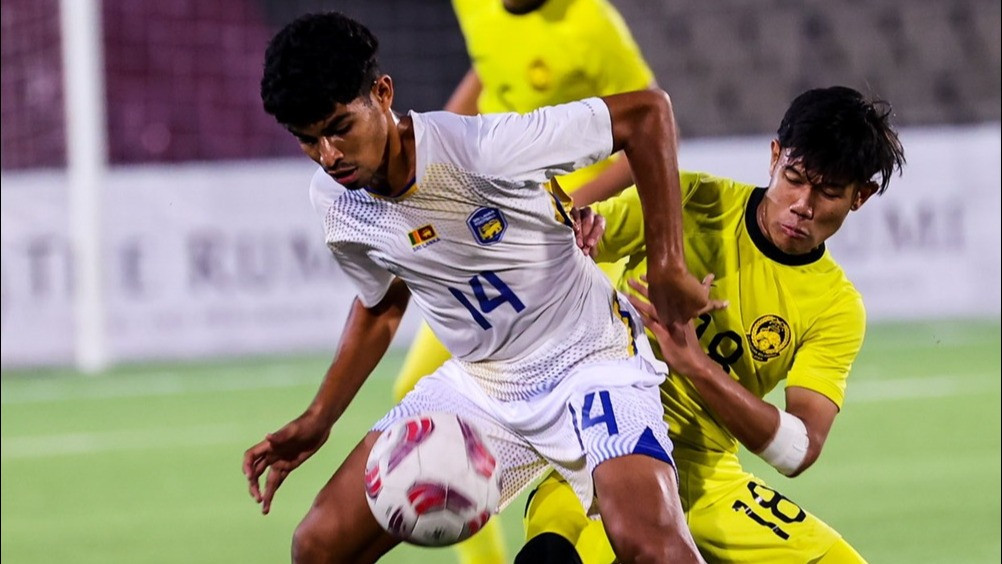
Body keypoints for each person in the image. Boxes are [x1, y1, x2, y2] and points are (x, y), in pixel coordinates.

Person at [243, 11, 719, 564]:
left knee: (652, 548)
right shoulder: (337, 204)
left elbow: (647, 113)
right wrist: (319, 417)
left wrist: (667, 263)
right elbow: (381, 303)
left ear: (382, 93)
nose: (329, 156)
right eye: (309, 141)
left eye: (339, 127)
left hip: (590, 362)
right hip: (482, 386)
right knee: (317, 546)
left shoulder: (481, 148)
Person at [518, 85, 906, 563]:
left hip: (706, 474)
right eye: (794, 177)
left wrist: (695, 364)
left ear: (860, 196)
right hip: (609, 442)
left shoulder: (835, 305)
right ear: (774, 156)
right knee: (567, 549)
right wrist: (571, 239)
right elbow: (574, 243)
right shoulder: (686, 201)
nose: (803, 205)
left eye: (828, 192)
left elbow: (798, 449)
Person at [397, 4, 656, 560]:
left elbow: (646, 128)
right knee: (415, 396)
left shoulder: (592, 25)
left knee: (586, 427)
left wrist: (567, 207)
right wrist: (432, 146)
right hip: (492, 226)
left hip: (578, 237)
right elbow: (492, 64)